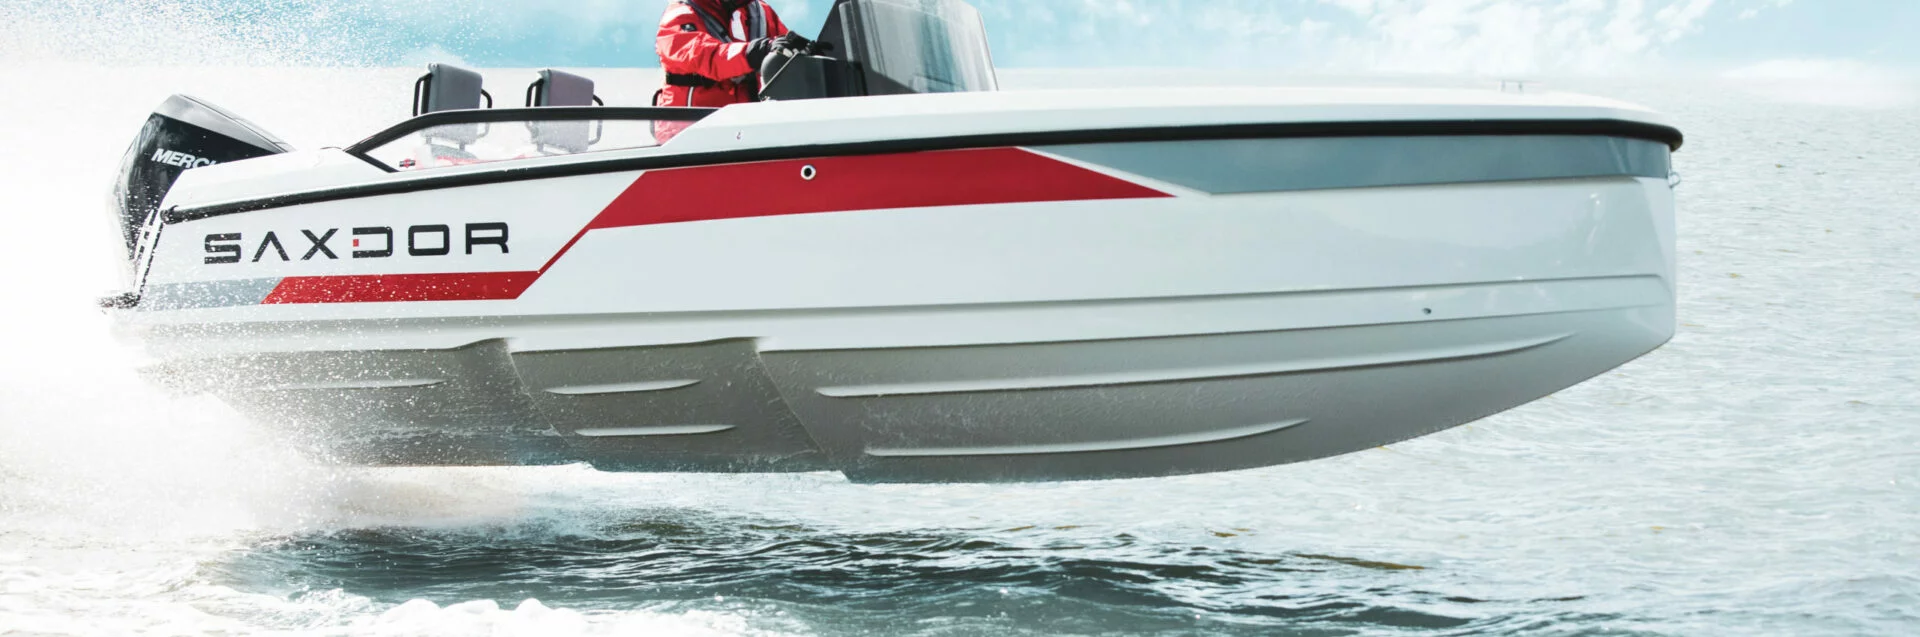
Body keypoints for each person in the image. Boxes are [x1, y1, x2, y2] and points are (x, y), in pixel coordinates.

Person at [653, 0, 819, 111]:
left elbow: (782, 46)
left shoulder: (760, 12)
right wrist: (755, 52)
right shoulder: (679, 16)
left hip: (744, 127)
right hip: (688, 129)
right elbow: (707, 57)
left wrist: (807, 53)